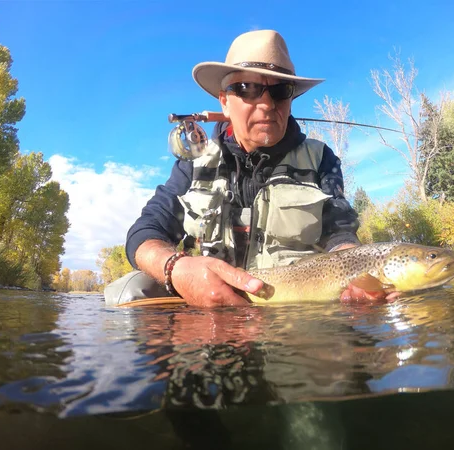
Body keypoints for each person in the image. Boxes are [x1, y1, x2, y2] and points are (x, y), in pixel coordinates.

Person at [104, 29, 393, 307]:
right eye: (247, 89)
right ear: (224, 102)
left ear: (290, 100)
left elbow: (340, 233)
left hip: (292, 305)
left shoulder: (321, 159)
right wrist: (176, 268)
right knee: (128, 291)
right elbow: (145, 232)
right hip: (206, 303)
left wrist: (361, 275)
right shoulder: (194, 163)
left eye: (280, 91)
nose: (266, 104)